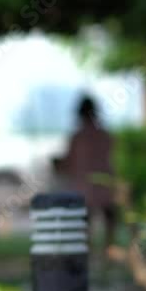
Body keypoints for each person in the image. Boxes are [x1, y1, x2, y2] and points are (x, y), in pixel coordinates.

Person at [59, 95, 117, 250]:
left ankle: (90, 254)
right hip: (105, 187)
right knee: (109, 224)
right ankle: (108, 252)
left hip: (83, 190)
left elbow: (68, 164)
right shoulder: (105, 135)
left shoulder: (77, 137)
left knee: (85, 227)